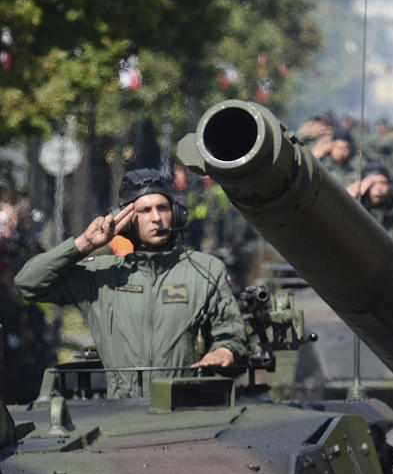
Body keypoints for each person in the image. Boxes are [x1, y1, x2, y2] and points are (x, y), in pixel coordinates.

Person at [15, 168, 247, 398]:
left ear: (176, 213)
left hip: (185, 408)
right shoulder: (100, 276)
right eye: (145, 210)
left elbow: (230, 332)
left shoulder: (204, 270)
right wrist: (83, 244)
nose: (156, 218)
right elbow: (28, 284)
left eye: (163, 208)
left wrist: (224, 350)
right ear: (126, 220)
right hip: (120, 412)